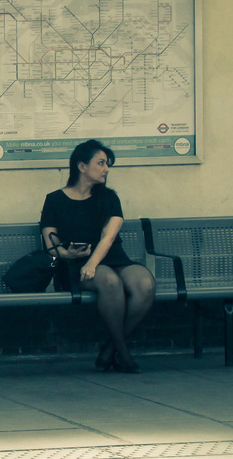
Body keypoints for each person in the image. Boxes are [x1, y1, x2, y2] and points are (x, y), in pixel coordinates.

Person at [38, 139, 155, 373]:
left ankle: (111, 349)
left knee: (145, 283)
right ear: (82, 167)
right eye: (101, 163)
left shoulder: (109, 197)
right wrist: (65, 253)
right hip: (75, 266)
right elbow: (50, 243)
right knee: (110, 282)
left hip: (111, 258)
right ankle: (123, 354)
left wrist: (92, 262)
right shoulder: (55, 199)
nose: (106, 169)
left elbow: (108, 237)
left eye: (107, 164)